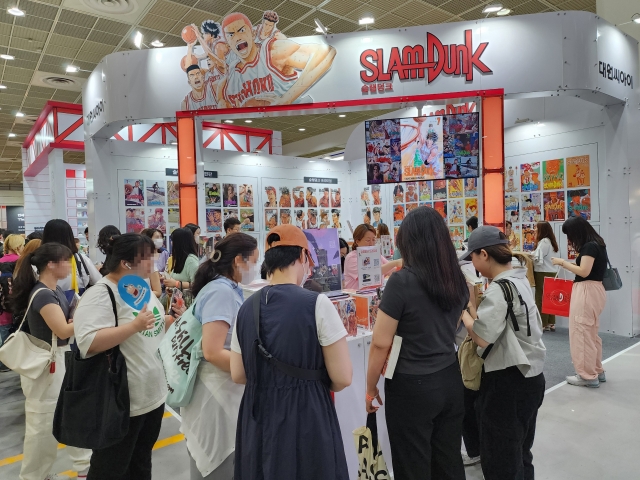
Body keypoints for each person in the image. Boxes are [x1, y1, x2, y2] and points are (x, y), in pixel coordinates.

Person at [230, 225, 352, 479]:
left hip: (257, 415)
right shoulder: (317, 303)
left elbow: (238, 374)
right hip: (307, 413)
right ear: (302, 257)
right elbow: (342, 377)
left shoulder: (245, 308)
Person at [365, 207, 469, 479]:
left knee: (412, 465)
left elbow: (379, 343)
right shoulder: (455, 277)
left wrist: (369, 386)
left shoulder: (402, 283)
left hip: (411, 386)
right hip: (449, 377)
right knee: (448, 461)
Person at [74, 234, 171, 479]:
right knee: (111, 468)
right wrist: (133, 327)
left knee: (140, 463)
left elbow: (152, 329)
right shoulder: (101, 294)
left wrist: (170, 321)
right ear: (126, 263)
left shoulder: (141, 287)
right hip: (122, 401)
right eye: (147, 258)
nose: (153, 263)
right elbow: (87, 342)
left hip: (153, 394)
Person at [460, 226, 546, 480]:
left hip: (508, 382)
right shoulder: (520, 280)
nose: (472, 264)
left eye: (472, 257)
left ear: (484, 255)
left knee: (500, 459)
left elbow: (482, 338)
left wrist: (464, 312)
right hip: (531, 376)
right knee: (520, 452)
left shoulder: (499, 290)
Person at [9, 243, 92, 479]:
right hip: (48, 369)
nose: (70, 265)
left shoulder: (52, 290)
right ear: (51, 264)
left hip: (57, 365)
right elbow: (63, 331)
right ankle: (35, 475)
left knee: (67, 415)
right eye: (65, 261)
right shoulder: (44, 294)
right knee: (42, 426)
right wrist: (85, 316)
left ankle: (82, 466)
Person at [182, 233, 259, 479]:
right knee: (219, 467)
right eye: (254, 261)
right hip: (215, 394)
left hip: (219, 388)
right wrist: (253, 371)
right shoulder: (221, 292)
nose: (256, 268)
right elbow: (213, 351)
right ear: (239, 260)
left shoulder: (223, 287)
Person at [217, 12, 335, 108]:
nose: (237, 37)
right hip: (264, 124)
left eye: (242, 31)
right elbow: (219, 95)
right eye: (231, 34)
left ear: (253, 33)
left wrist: (286, 99)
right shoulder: (231, 74)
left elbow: (326, 52)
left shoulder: (272, 51)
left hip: (297, 117)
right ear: (228, 43)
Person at [552, 216, 608, 388]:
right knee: (590, 332)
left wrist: (562, 263)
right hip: (594, 290)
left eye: (569, 234)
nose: (569, 239)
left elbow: (584, 271)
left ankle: (587, 375)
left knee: (581, 332)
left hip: (586, 291)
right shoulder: (598, 243)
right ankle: (596, 370)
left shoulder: (589, 246)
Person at [42, 219, 101, 298]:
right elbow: (99, 282)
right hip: (78, 306)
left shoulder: (38, 261)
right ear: (70, 237)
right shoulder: (80, 259)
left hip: (46, 305)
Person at [343, 224, 401, 290]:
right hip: (358, 298)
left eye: (373, 240)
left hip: (376, 297)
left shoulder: (376, 255)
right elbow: (369, 272)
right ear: (357, 241)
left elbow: (391, 270)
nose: (371, 243)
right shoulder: (351, 258)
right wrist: (395, 262)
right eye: (368, 240)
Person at [0, 234, 24, 372]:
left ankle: (4, 363)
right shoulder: (21, 261)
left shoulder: (1, 261)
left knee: (4, 333)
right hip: (19, 306)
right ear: (18, 246)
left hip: (2, 308)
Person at [532, 222, 559, 332]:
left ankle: (542, 324)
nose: (534, 230)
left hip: (542, 272)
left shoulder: (543, 242)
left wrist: (529, 254)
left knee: (540, 298)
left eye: (536, 228)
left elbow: (537, 257)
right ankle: (550, 322)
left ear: (541, 230)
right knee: (550, 298)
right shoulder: (551, 242)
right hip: (552, 272)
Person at [140, 229, 164, 298]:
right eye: (157, 237)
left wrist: (140, 295)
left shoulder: (150, 265)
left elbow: (158, 292)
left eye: (161, 237)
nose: (159, 239)